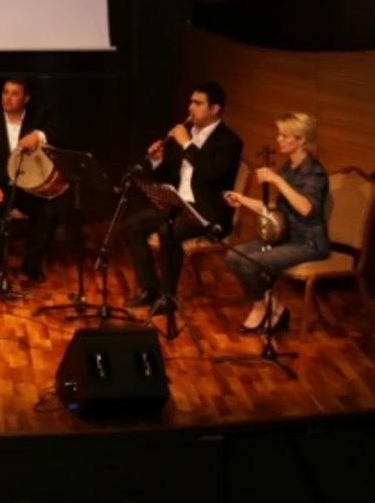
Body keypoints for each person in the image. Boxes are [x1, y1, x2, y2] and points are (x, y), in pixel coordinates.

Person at [121, 81, 243, 310]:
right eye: (191, 102)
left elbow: (211, 174)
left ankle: (168, 298)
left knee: (168, 231)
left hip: (207, 211)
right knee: (131, 227)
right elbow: (170, 173)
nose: (190, 108)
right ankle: (150, 289)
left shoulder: (229, 142)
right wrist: (157, 159)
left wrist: (187, 144)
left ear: (215, 109)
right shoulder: (186, 134)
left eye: (198, 103)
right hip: (177, 203)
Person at [222, 112, 330, 333]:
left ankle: (265, 309)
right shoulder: (288, 168)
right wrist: (241, 200)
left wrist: (277, 180)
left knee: (251, 262)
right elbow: (277, 210)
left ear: (301, 140)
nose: (278, 139)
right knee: (234, 256)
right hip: (285, 235)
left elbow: (305, 208)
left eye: (285, 136)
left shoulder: (315, 173)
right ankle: (268, 305)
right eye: (279, 134)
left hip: (308, 242)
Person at [0, 77, 68, 286]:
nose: (8, 97)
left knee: (49, 212)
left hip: (29, 186)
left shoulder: (38, 117)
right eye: (5, 92)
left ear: (26, 98)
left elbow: (60, 134)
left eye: (14, 93)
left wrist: (40, 135)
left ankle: (31, 263)